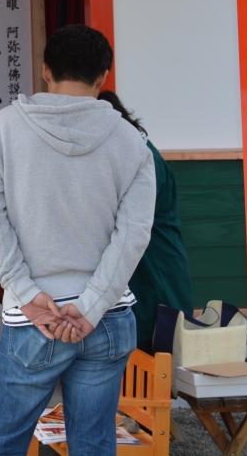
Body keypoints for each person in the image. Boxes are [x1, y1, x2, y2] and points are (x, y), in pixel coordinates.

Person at [0, 25, 155, 456]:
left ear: (45, 71)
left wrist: (26, 293)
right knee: (94, 444)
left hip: (35, 317)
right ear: (103, 76)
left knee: (2, 445)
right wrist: (90, 305)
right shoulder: (131, 141)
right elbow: (133, 236)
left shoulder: (3, 129)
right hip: (107, 316)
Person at [99, 90, 194, 352]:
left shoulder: (142, 159)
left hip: (155, 278)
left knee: (156, 356)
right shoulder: (140, 151)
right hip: (150, 275)